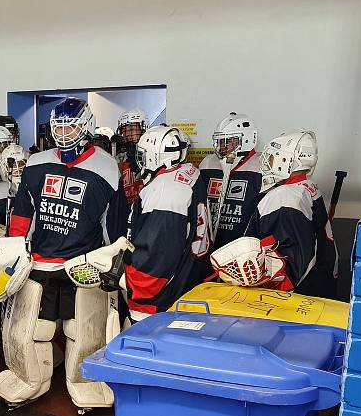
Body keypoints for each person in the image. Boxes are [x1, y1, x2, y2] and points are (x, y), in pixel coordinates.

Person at [0, 97, 128, 412]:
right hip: (38, 264)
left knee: (84, 333)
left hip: (83, 265)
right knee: (30, 331)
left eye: (71, 126)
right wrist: (13, 253)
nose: (64, 133)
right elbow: (23, 214)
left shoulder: (107, 167)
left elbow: (114, 224)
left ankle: (86, 383)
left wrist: (113, 262)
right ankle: (30, 379)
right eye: (59, 127)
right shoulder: (37, 163)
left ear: (87, 126)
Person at [213, 130, 337, 298]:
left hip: (297, 298)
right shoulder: (307, 186)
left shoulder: (284, 197)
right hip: (319, 285)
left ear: (287, 161)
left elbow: (287, 268)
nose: (267, 162)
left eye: (273, 157)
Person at [125, 126, 212, 321]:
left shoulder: (164, 191)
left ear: (155, 155)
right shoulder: (190, 172)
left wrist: (129, 281)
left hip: (161, 300)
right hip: (188, 285)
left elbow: (156, 258)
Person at [199, 112, 263, 250]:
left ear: (246, 139)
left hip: (242, 250)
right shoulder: (208, 163)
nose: (223, 146)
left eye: (229, 141)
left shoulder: (261, 166)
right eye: (221, 141)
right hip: (209, 246)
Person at [116, 108, 150, 206]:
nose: (128, 134)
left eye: (131, 129)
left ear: (143, 128)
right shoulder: (120, 158)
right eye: (124, 130)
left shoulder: (155, 154)